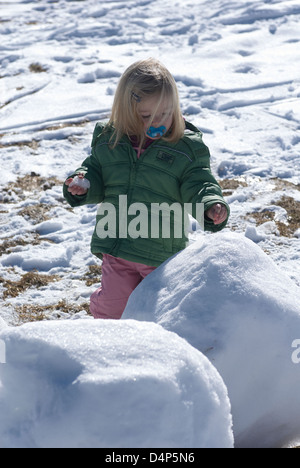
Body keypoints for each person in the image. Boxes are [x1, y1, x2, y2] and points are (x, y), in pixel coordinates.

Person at [63, 58, 230, 320]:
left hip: (161, 252)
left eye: (165, 113)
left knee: (158, 310)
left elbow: (198, 181)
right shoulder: (110, 140)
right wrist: (83, 184)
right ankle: (108, 349)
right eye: (146, 116)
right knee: (113, 307)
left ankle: (158, 352)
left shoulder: (184, 148)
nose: (158, 122)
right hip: (117, 244)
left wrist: (209, 203)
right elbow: (95, 169)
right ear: (125, 111)